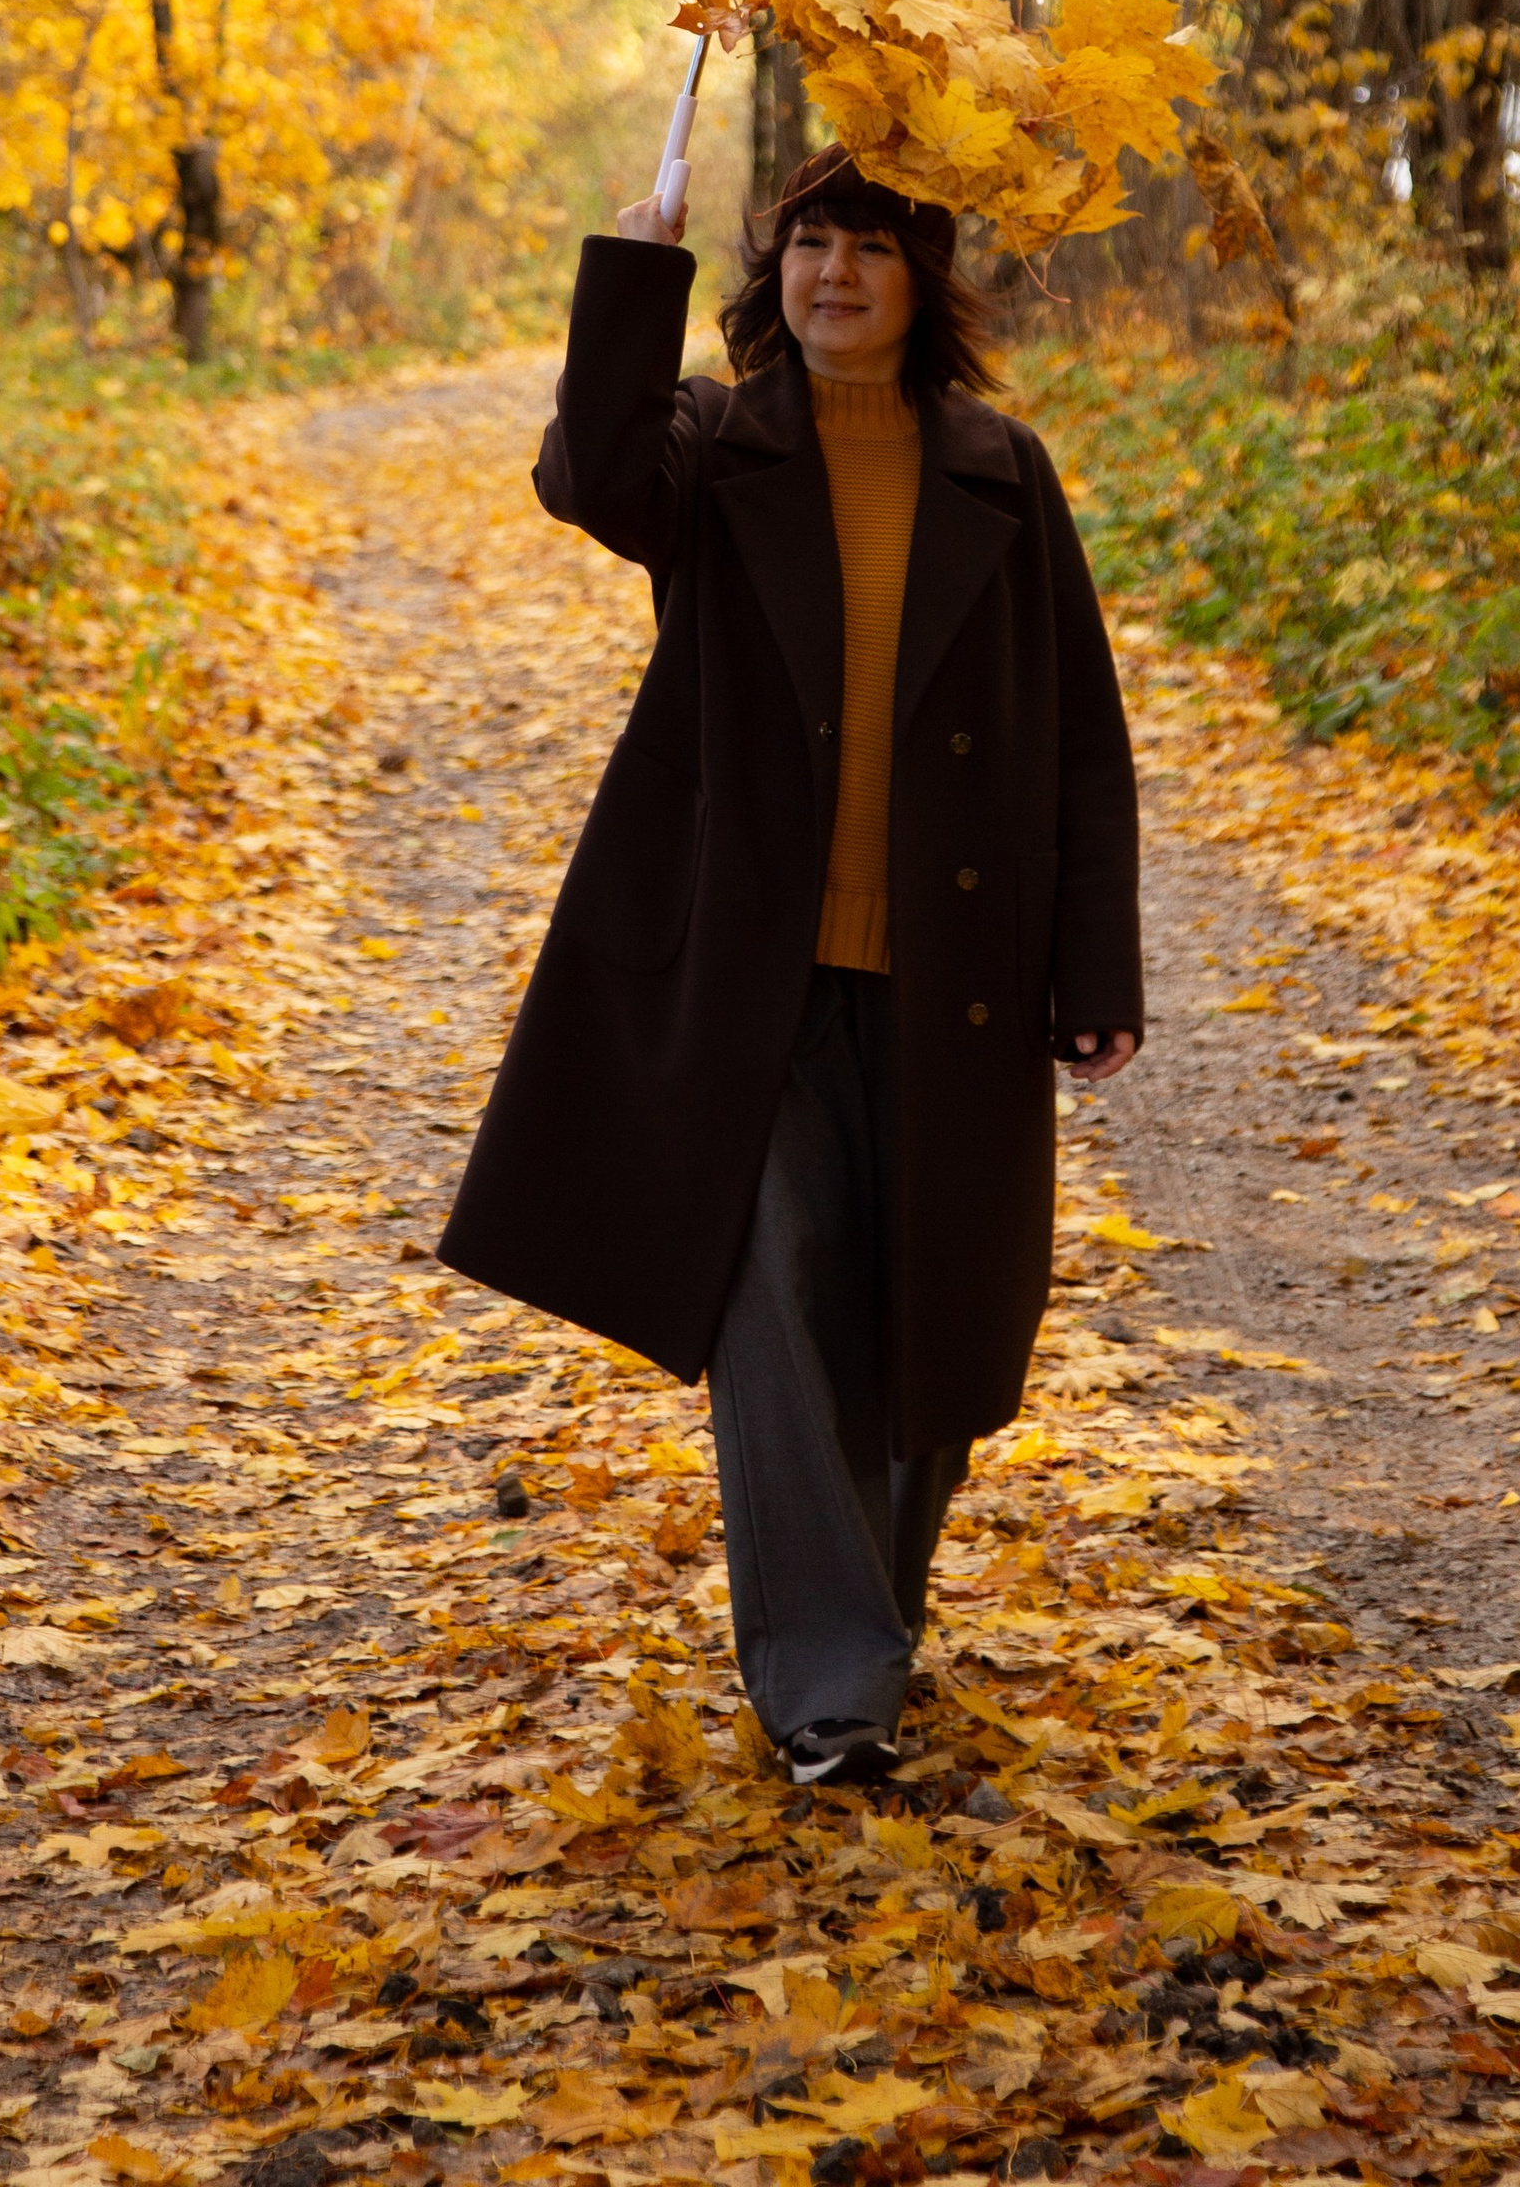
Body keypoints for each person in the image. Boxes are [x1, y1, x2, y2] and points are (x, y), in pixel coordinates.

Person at [439, 145, 1142, 1784]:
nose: (835, 272)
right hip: (742, 983)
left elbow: (1084, 745)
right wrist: (635, 265)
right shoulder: (711, 444)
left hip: (950, 983)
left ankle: (868, 1629)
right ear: (776, 274)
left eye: (870, 248)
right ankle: (829, 1685)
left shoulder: (1004, 473)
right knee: (773, 1298)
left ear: (922, 278)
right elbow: (585, 472)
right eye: (809, 242)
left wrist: (1090, 962)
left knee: (928, 1331)